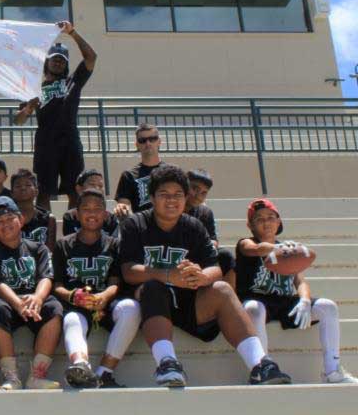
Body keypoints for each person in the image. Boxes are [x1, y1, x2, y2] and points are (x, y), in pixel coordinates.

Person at [120, 165, 291, 387]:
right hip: (151, 304)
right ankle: (167, 363)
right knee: (152, 287)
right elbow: (128, 271)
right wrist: (170, 275)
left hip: (190, 301)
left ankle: (260, 365)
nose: (172, 200)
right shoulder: (136, 224)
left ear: (185, 197)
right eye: (164, 195)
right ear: (151, 197)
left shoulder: (194, 226)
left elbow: (215, 268)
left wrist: (201, 277)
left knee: (221, 288)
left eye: (178, 195)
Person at [235, 198, 356, 384]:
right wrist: (278, 248)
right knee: (253, 308)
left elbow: (300, 281)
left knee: (328, 306)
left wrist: (305, 301)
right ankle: (263, 369)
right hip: (257, 300)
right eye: (259, 219)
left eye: (271, 217)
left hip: (283, 302)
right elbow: (256, 249)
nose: (266, 222)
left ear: (279, 221)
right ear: (250, 225)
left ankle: (332, 371)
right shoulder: (245, 243)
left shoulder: (289, 249)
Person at [53, 189, 140, 389]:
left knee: (131, 308)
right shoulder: (63, 245)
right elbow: (57, 285)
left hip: (106, 303)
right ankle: (81, 366)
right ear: (76, 213)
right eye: (86, 209)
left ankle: (103, 374)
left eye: (97, 209)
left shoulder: (114, 245)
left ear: (106, 214)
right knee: (71, 319)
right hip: (77, 304)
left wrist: (104, 296)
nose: (92, 214)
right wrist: (72, 295)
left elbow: (116, 280)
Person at [0, 196, 63, 390]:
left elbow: (46, 277)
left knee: (54, 307)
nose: (6, 224)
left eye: (10, 219)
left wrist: (38, 298)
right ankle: (12, 377)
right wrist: (18, 304)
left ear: (21, 220)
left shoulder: (38, 248)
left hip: (34, 303)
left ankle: (37, 375)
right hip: (8, 303)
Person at [14, 21, 97, 212]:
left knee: (74, 190)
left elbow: (91, 57)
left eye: (62, 60)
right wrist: (27, 109)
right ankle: (44, 228)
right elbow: (17, 121)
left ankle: (73, 228)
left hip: (70, 141)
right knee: (44, 191)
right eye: (54, 59)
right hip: (46, 143)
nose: (58, 62)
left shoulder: (73, 82)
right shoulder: (34, 89)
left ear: (66, 64)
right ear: (47, 62)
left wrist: (73, 33)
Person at [184, 169, 236, 286]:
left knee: (225, 256)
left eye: (203, 193)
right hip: (176, 254)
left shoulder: (205, 212)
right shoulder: (171, 207)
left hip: (198, 253)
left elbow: (213, 240)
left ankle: (230, 298)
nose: (198, 196)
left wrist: (208, 245)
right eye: (195, 188)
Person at [113, 124, 165, 219]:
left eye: (152, 139)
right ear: (137, 145)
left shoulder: (172, 172)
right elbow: (124, 204)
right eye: (142, 140)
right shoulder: (128, 175)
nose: (148, 143)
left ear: (159, 141)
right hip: (142, 227)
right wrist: (122, 208)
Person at [62, 169, 119, 238]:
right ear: (79, 189)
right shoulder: (70, 217)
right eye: (92, 184)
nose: (97, 188)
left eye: (100, 186)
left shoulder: (111, 219)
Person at [10, 169, 56, 251]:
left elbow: (50, 252)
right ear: (12, 193)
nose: (23, 188)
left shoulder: (48, 218)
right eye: (18, 186)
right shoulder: (6, 218)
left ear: (36, 191)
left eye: (28, 185)